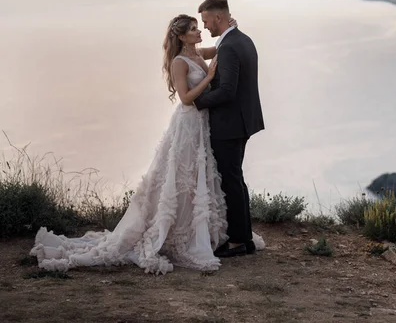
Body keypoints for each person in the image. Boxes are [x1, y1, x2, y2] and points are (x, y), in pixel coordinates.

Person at [30, 14, 263, 275]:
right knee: (179, 174)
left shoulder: (199, 53)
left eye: (200, 27)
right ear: (181, 36)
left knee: (199, 176)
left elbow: (220, 48)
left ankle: (200, 228)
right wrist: (208, 80)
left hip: (202, 126)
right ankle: (170, 231)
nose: (200, 32)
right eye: (194, 29)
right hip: (187, 125)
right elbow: (185, 98)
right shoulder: (179, 62)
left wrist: (231, 29)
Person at [194, 0, 265, 258]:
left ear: (219, 18)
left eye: (206, 21)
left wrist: (198, 102)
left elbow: (227, 91)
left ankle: (238, 241)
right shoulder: (242, 39)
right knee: (236, 179)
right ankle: (243, 238)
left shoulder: (230, 47)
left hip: (230, 124)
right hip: (243, 121)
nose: (205, 27)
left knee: (231, 181)